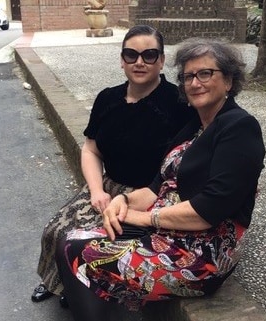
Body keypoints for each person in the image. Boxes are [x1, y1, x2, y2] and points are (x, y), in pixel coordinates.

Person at [56, 38, 266, 321]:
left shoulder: (240, 127)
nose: (195, 83)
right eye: (189, 76)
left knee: (82, 252)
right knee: (68, 239)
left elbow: (209, 210)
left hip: (202, 250)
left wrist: (141, 218)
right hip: (168, 231)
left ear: (228, 80)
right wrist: (124, 200)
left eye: (205, 73)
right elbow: (157, 186)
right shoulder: (196, 125)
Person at [31, 25, 195, 304]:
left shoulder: (179, 104)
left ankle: (80, 285)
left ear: (162, 60)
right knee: (55, 230)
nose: (139, 62)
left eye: (149, 55)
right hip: (108, 185)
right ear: (122, 60)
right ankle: (60, 282)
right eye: (131, 55)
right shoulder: (107, 98)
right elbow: (91, 149)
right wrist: (96, 191)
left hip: (147, 194)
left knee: (89, 240)